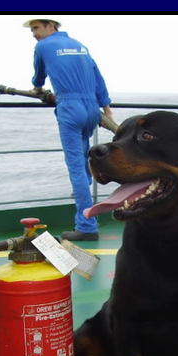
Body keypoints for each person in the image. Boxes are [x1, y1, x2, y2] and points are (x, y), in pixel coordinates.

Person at [25, 17, 113, 241]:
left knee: (76, 168)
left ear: (51, 26)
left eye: (36, 28)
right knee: (83, 163)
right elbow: (98, 78)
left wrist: (37, 88)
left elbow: (38, 77)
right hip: (92, 109)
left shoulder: (43, 46)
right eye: (32, 30)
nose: (34, 34)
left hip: (70, 108)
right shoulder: (81, 46)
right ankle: (85, 201)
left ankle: (86, 226)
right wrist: (107, 110)